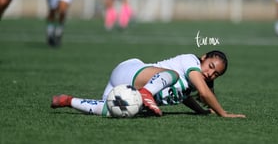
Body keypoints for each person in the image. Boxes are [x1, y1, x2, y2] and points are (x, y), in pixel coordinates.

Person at [51, 50, 245, 118]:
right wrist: (223, 113)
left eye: (216, 74)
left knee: (111, 110)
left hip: (123, 82)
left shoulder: (192, 81)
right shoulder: (191, 62)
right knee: (172, 75)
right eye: (210, 66)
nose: (210, 73)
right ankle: (146, 93)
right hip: (132, 72)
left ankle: (68, 101)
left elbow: (185, 96)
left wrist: (201, 111)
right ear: (202, 58)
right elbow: (204, 93)